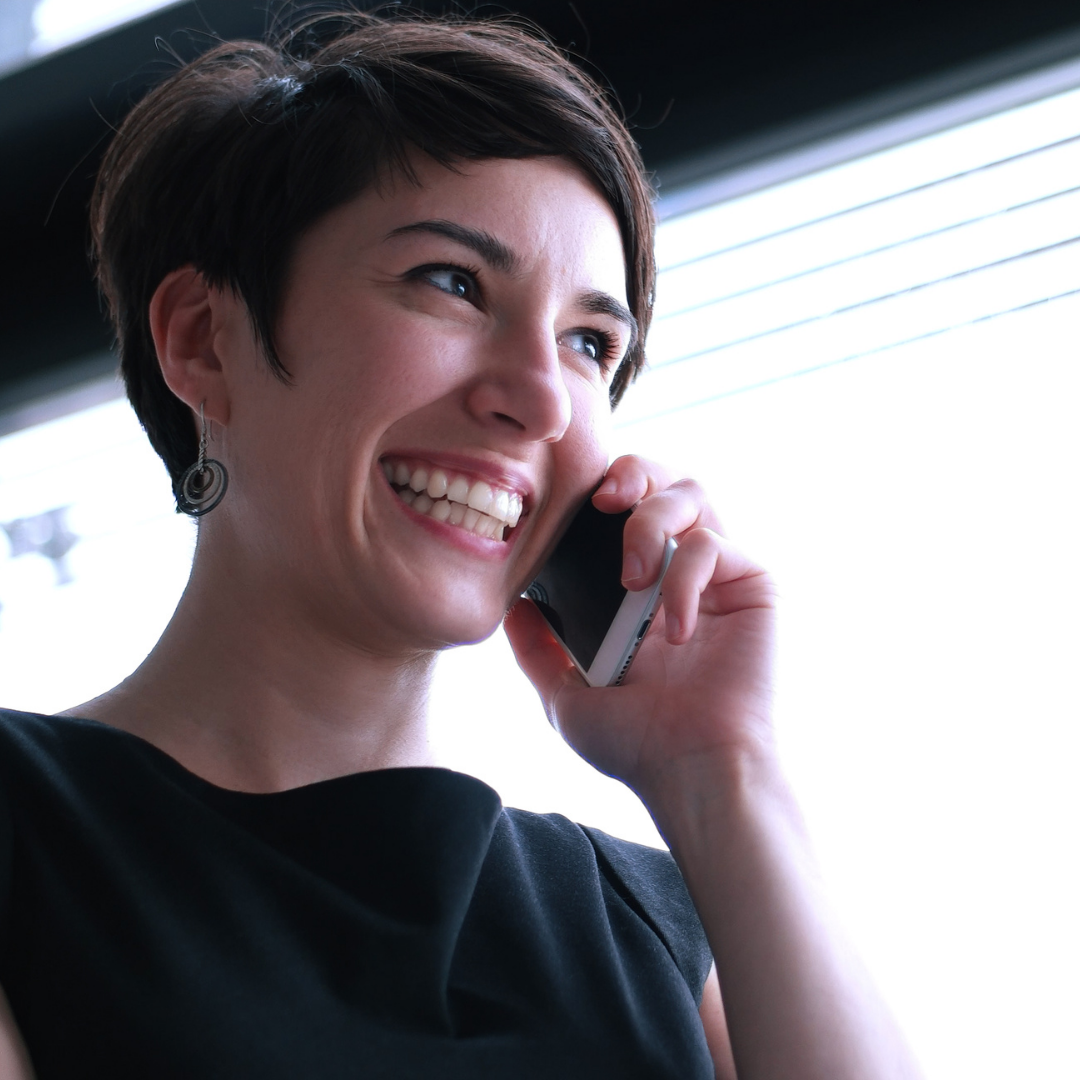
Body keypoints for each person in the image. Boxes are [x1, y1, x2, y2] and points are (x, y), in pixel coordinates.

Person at [0, 11, 923, 1079]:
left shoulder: (652, 931)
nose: (538, 395)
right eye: (451, 282)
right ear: (205, 340)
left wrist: (722, 771)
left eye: (590, 343)